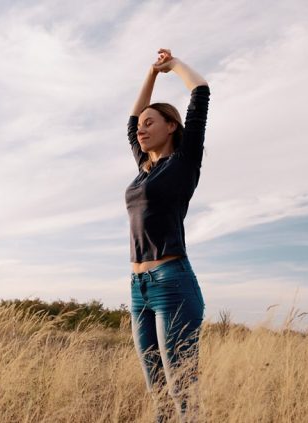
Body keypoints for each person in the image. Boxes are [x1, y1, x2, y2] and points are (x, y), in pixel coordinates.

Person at [125, 48, 209, 423]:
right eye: (140, 125)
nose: (141, 129)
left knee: (182, 390)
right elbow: (130, 119)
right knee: (157, 390)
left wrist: (172, 66)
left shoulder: (183, 162)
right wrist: (150, 73)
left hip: (172, 283)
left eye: (150, 122)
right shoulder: (144, 167)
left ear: (171, 126)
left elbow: (201, 91)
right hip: (138, 285)